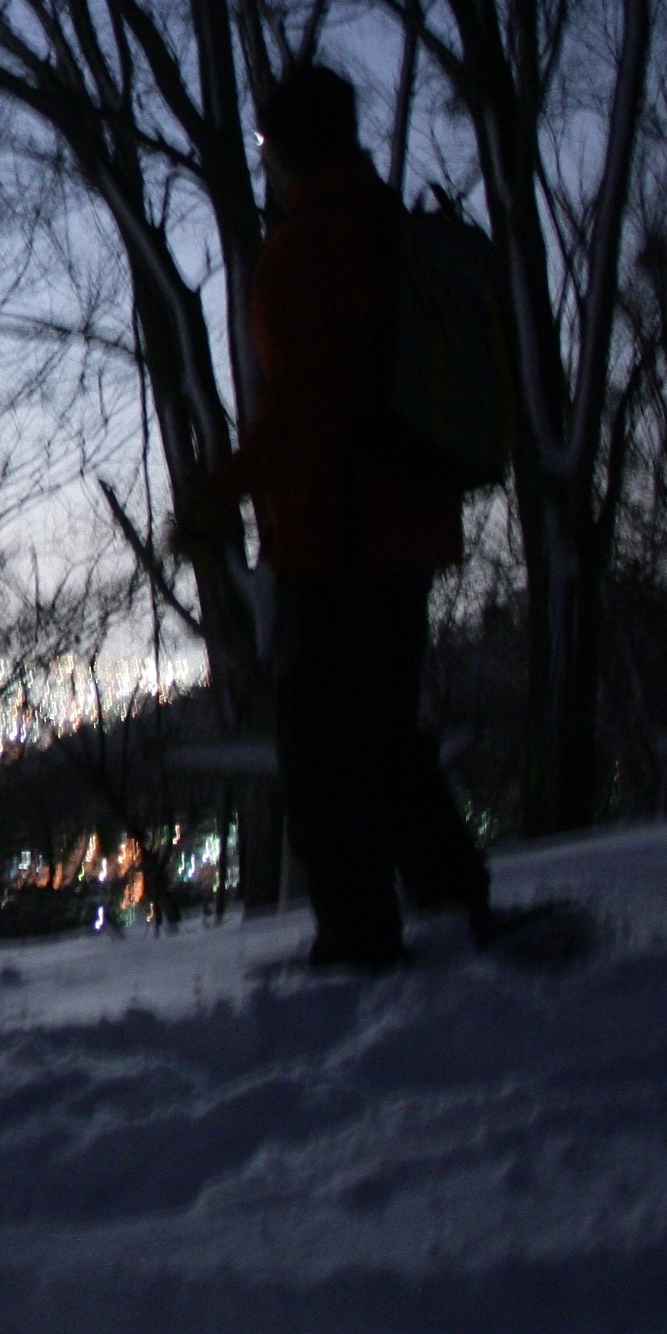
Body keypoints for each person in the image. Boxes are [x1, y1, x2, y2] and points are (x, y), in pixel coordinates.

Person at [201, 63, 492, 971]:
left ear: (280, 147)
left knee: (323, 746)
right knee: (381, 727)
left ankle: (357, 934)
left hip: (338, 536)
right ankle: (450, 896)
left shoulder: (301, 250)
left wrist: (224, 489)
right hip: (407, 523)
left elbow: (308, 411)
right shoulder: (389, 230)